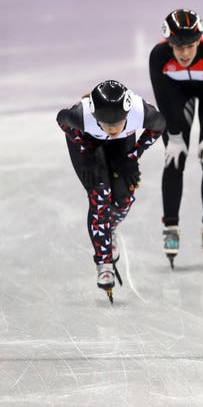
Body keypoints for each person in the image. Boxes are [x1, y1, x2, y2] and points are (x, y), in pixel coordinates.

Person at [57, 80, 165, 302]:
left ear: (128, 114)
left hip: (122, 147)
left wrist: (134, 156)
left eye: (118, 123)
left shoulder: (139, 111)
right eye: (106, 124)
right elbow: (62, 119)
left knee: (125, 199)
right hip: (89, 145)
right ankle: (104, 262)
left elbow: (159, 125)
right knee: (100, 195)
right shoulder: (81, 115)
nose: (113, 128)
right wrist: (84, 150)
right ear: (95, 117)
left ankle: (108, 228)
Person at [149, 9, 203, 268]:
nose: (184, 53)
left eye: (190, 46)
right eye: (177, 46)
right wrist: (173, 136)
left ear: (199, 41)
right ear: (168, 44)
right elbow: (163, 99)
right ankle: (171, 227)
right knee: (174, 160)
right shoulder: (158, 55)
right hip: (176, 98)